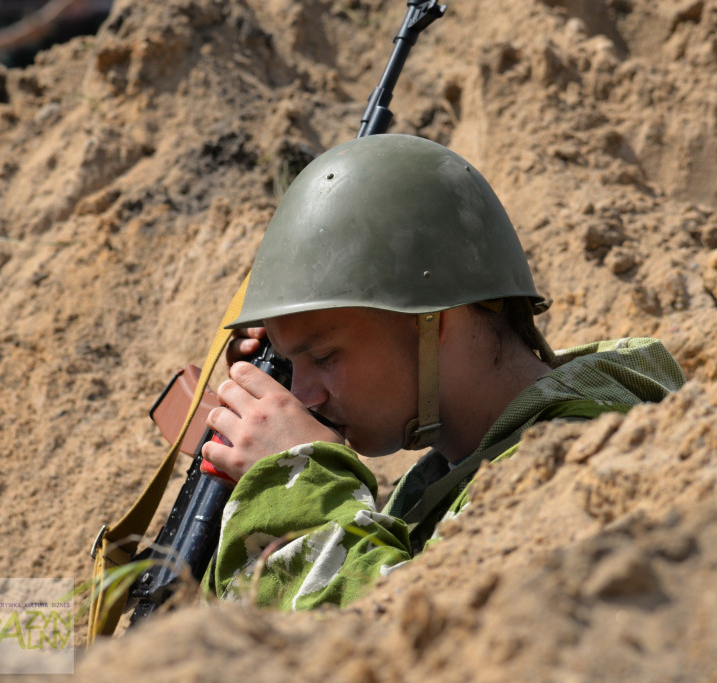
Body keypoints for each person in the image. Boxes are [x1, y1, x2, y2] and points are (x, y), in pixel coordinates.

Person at [199, 134, 685, 609]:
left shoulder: (575, 468)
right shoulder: (461, 473)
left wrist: (295, 485)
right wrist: (252, 493)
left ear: (435, 324)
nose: (303, 394)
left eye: (325, 357)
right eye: (290, 364)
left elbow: (411, 643)